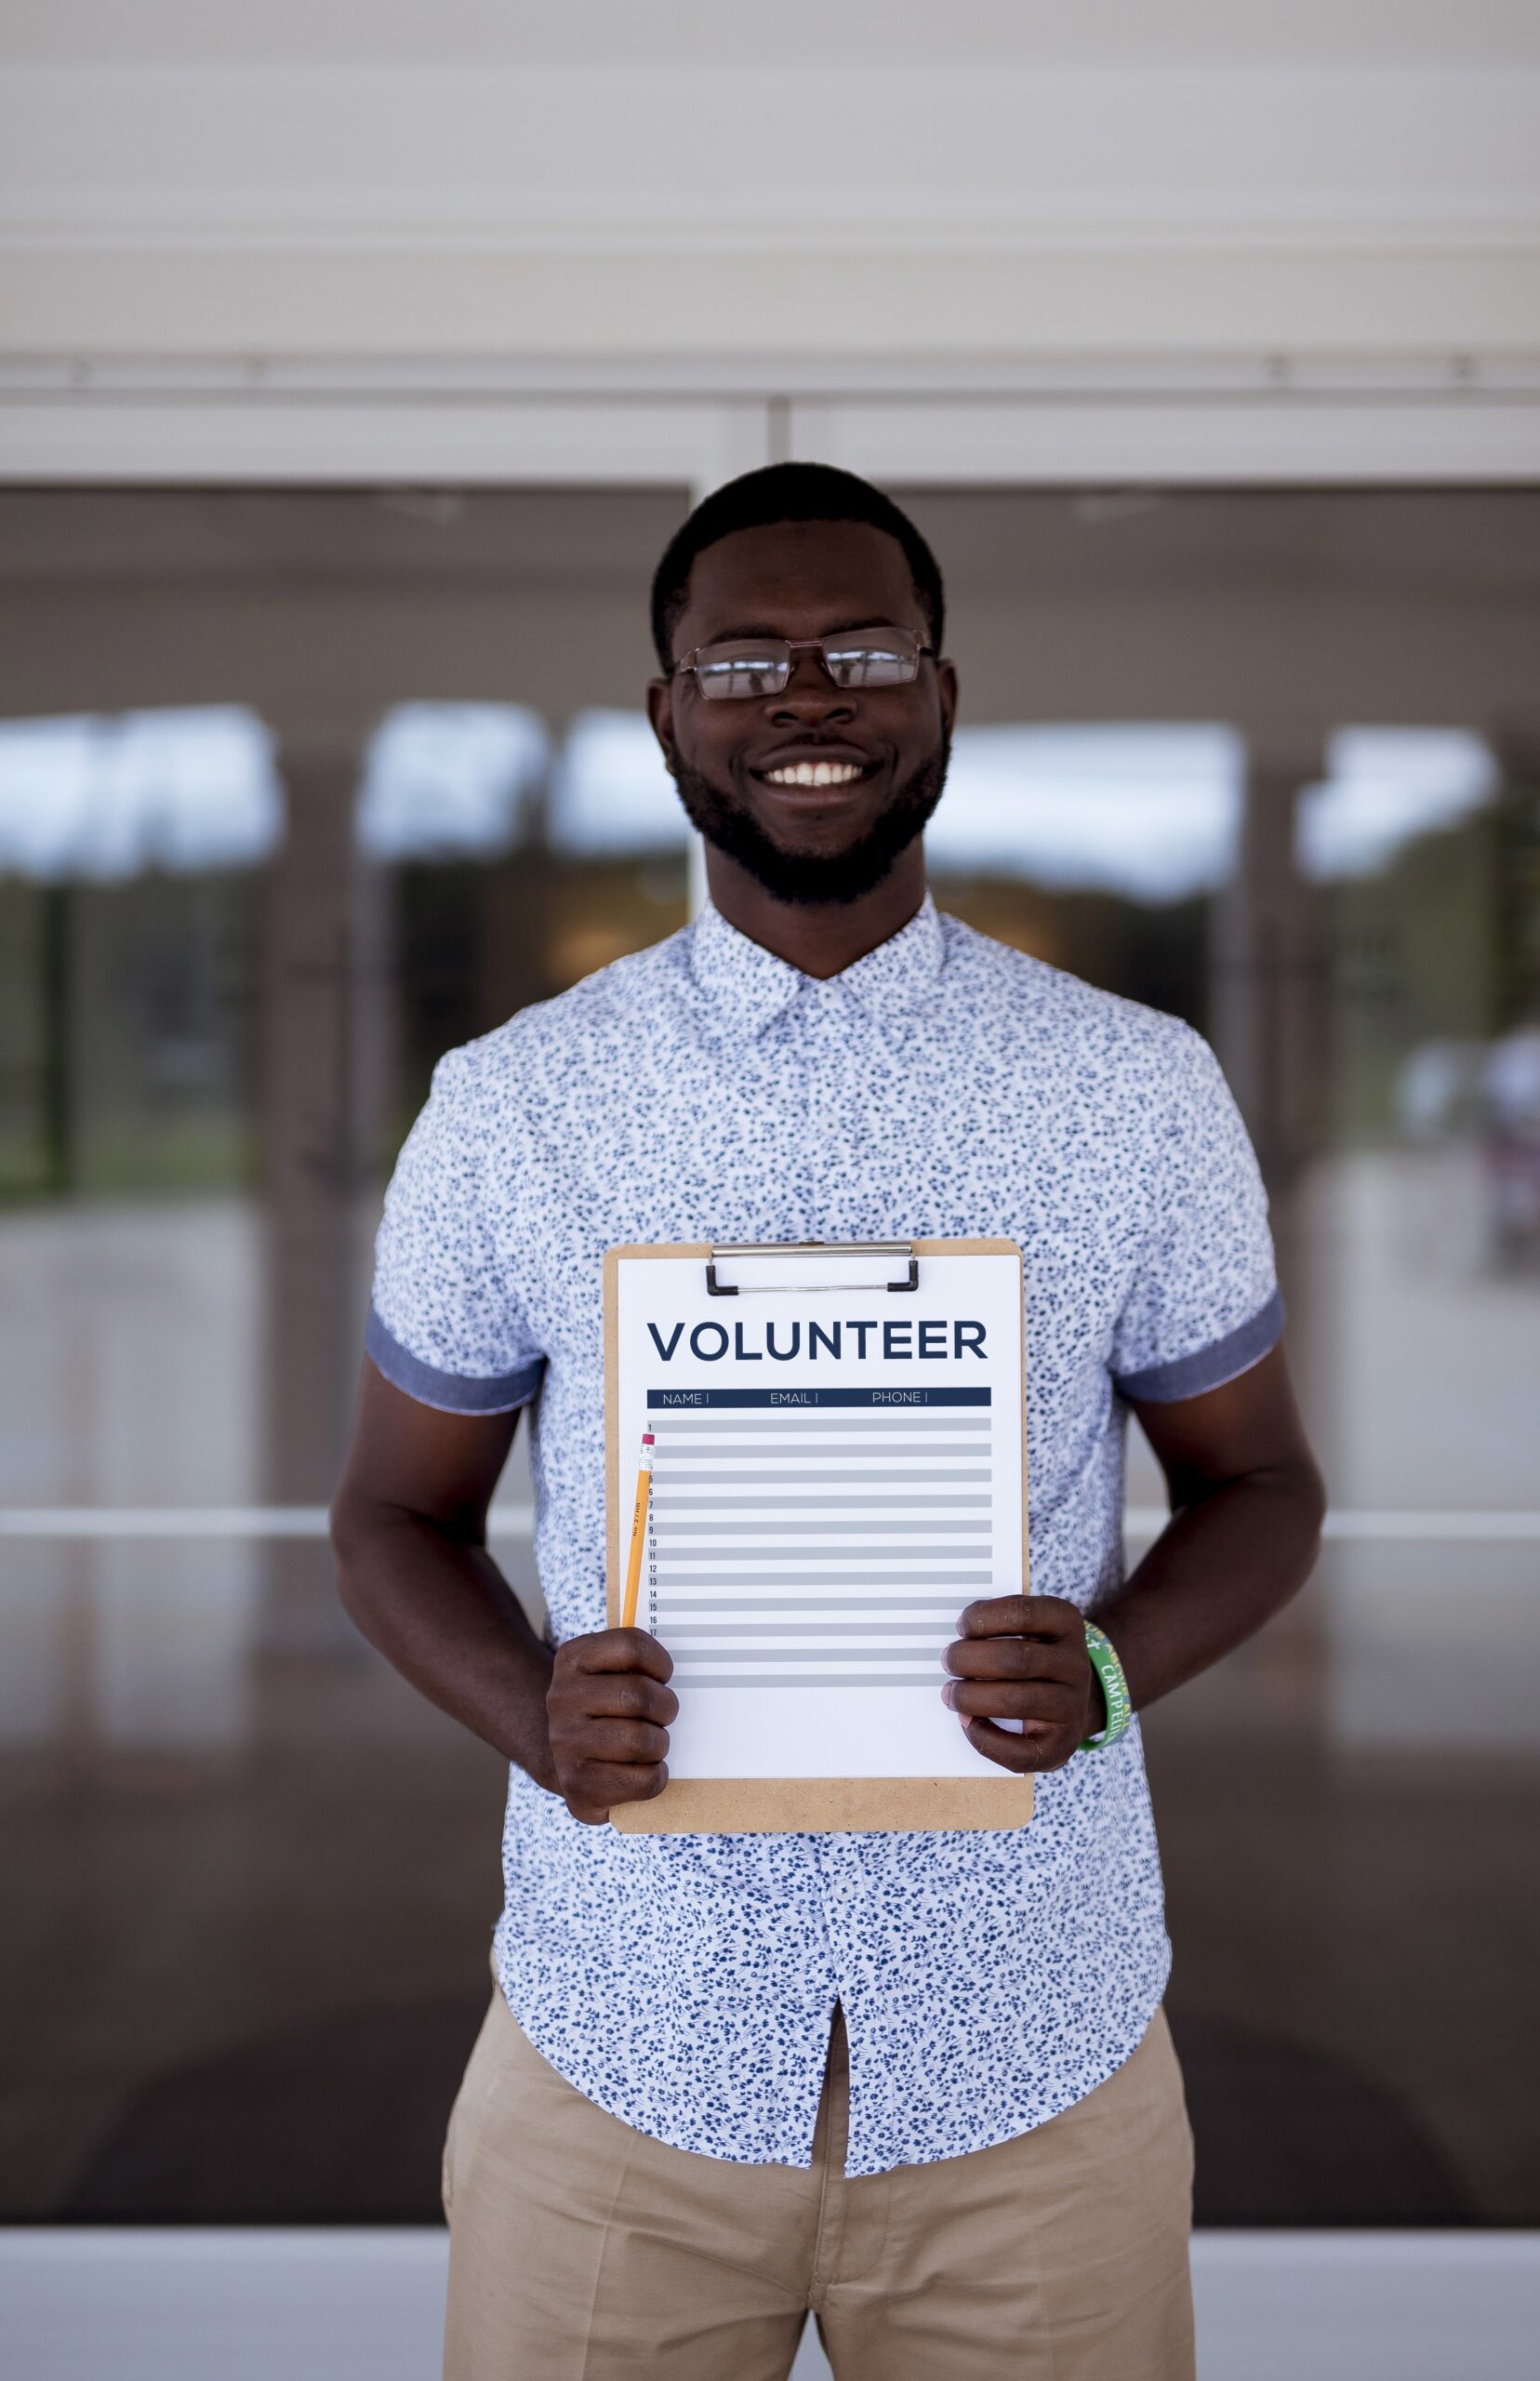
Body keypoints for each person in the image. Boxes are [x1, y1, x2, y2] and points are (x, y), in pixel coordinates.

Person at [332, 462, 1325, 2380]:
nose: (810, 694)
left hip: (1034, 2058)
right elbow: (393, 1515)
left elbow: (1263, 1483)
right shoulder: (514, 1105)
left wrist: (1111, 1667)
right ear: (668, 713)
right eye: (747, 658)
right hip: (628, 2046)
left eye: (864, 649)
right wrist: (530, 1711)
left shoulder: (1131, 1090)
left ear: (941, 698)